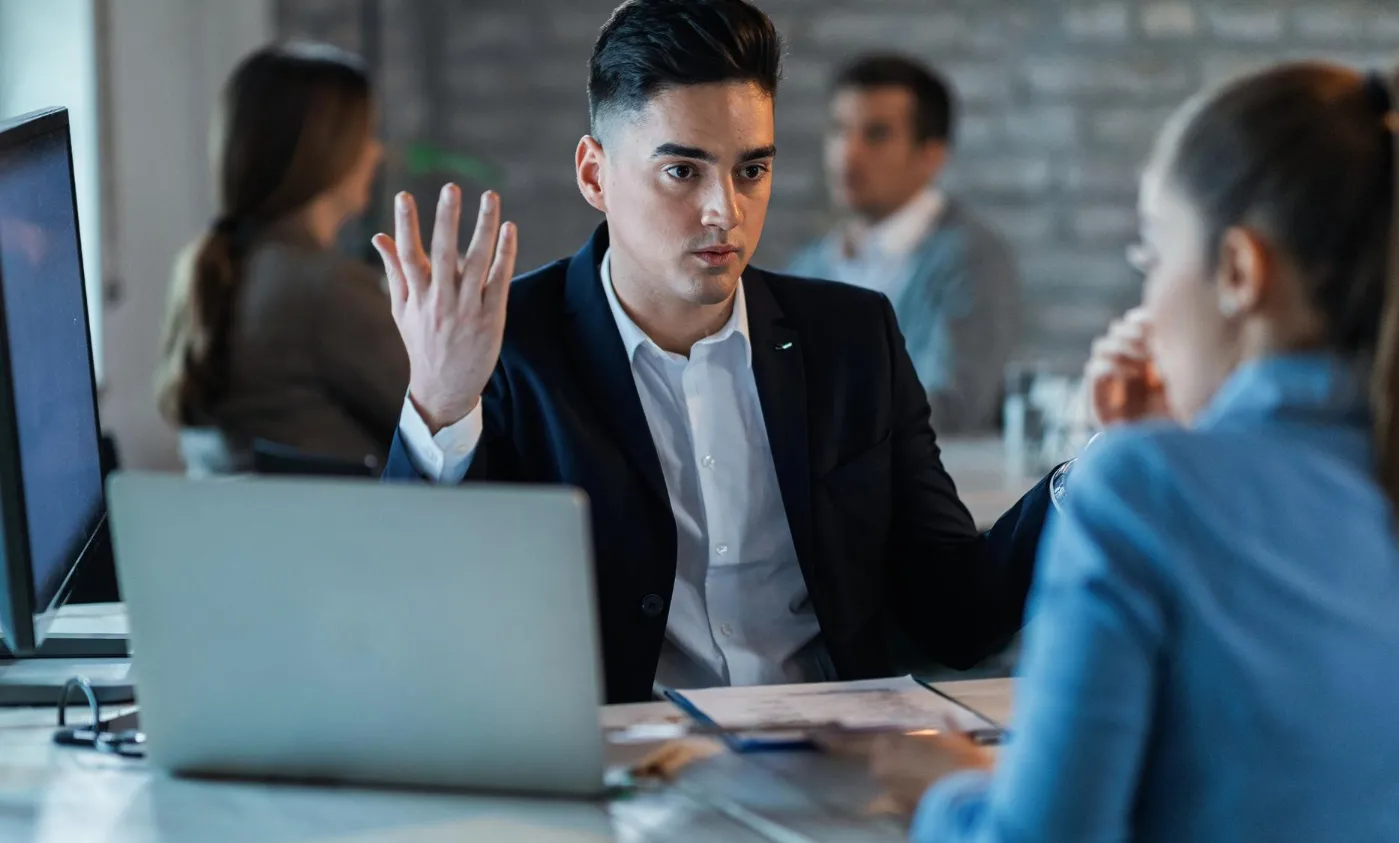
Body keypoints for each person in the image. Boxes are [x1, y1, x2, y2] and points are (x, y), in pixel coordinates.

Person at [859, 59, 1399, 842]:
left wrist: (949, 790)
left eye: (1155, 254)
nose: (1148, 295)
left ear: (1237, 270)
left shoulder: (1146, 489)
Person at [374, 0, 1059, 705]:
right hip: (624, 769)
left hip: (839, 759)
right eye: (683, 172)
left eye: (751, 170)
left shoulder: (851, 338)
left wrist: (1090, 473)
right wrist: (442, 403)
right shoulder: (509, 345)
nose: (724, 211)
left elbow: (957, 615)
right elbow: (412, 622)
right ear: (594, 174)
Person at [157, 42, 408, 476]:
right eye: (364, 137)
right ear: (325, 152)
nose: (376, 153)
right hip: (342, 536)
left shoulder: (207, 266)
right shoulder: (324, 289)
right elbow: (443, 415)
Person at [788, 54, 1019, 435]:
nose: (847, 153)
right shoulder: (808, 266)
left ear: (931, 155)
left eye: (875, 134)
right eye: (838, 130)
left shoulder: (974, 260)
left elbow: (953, 405)